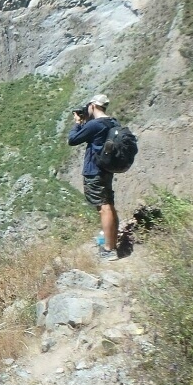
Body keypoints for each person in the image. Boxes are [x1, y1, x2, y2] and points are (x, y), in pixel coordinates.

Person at [68, 93, 120, 261]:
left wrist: (78, 123)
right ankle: (112, 243)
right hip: (106, 170)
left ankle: (109, 250)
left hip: (95, 171)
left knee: (103, 207)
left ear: (93, 106)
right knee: (108, 204)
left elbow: (72, 139)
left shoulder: (95, 125)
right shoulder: (112, 122)